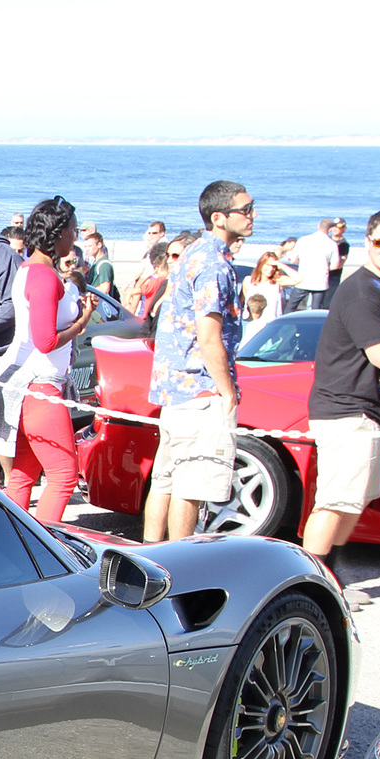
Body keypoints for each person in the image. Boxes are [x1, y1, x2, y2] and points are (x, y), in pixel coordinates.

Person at [302, 209, 380, 605]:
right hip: (344, 408)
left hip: (369, 407)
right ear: (368, 242)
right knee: (335, 501)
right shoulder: (361, 290)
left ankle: (331, 577)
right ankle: (313, 583)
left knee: (355, 500)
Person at [139, 183, 253, 543]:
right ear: (219, 218)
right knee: (191, 486)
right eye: (245, 210)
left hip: (177, 390)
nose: (251, 216)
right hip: (199, 389)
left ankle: (152, 554)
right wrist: (227, 392)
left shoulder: (192, 254)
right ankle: (177, 564)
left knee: (166, 480)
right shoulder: (213, 265)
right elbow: (208, 336)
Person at [0, 197, 100, 524]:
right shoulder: (43, 276)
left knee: (24, 474)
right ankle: (47, 545)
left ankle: (15, 541)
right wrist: (82, 321)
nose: (75, 236)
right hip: (38, 384)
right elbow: (46, 341)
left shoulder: (32, 270)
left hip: (23, 381)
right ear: (57, 233)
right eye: (72, 229)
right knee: (64, 475)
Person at [290, 218, 337, 312]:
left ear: (318, 226)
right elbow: (334, 266)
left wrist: (302, 263)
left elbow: (293, 260)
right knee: (316, 310)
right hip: (320, 282)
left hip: (303, 280)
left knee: (291, 306)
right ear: (330, 229)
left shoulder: (303, 240)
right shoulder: (332, 244)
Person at [85, 232, 117, 300]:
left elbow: (105, 288)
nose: (87, 249)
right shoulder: (95, 263)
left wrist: (88, 294)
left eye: (90, 246)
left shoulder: (104, 265)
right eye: (86, 247)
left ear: (99, 244)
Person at [325, 218, 350, 305]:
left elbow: (340, 263)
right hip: (321, 275)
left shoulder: (344, 244)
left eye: (338, 227)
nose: (335, 229)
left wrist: (327, 267)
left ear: (343, 229)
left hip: (333, 277)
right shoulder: (326, 240)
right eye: (334, 227)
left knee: (328, 301)